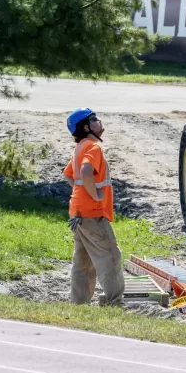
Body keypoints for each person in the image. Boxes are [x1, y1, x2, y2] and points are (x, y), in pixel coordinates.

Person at [62, 108, 125, 307]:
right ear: (87, 127)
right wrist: (94, 194)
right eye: (94, 119)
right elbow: (85, 171)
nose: (100, 121)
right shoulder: (93, 147)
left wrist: (82, 191)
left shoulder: (80, 147)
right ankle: (115, 301)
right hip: (92, 213)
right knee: (110, 255)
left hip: (78, 212)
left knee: (84, 261)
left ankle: (79, 303)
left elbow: (68, 174)